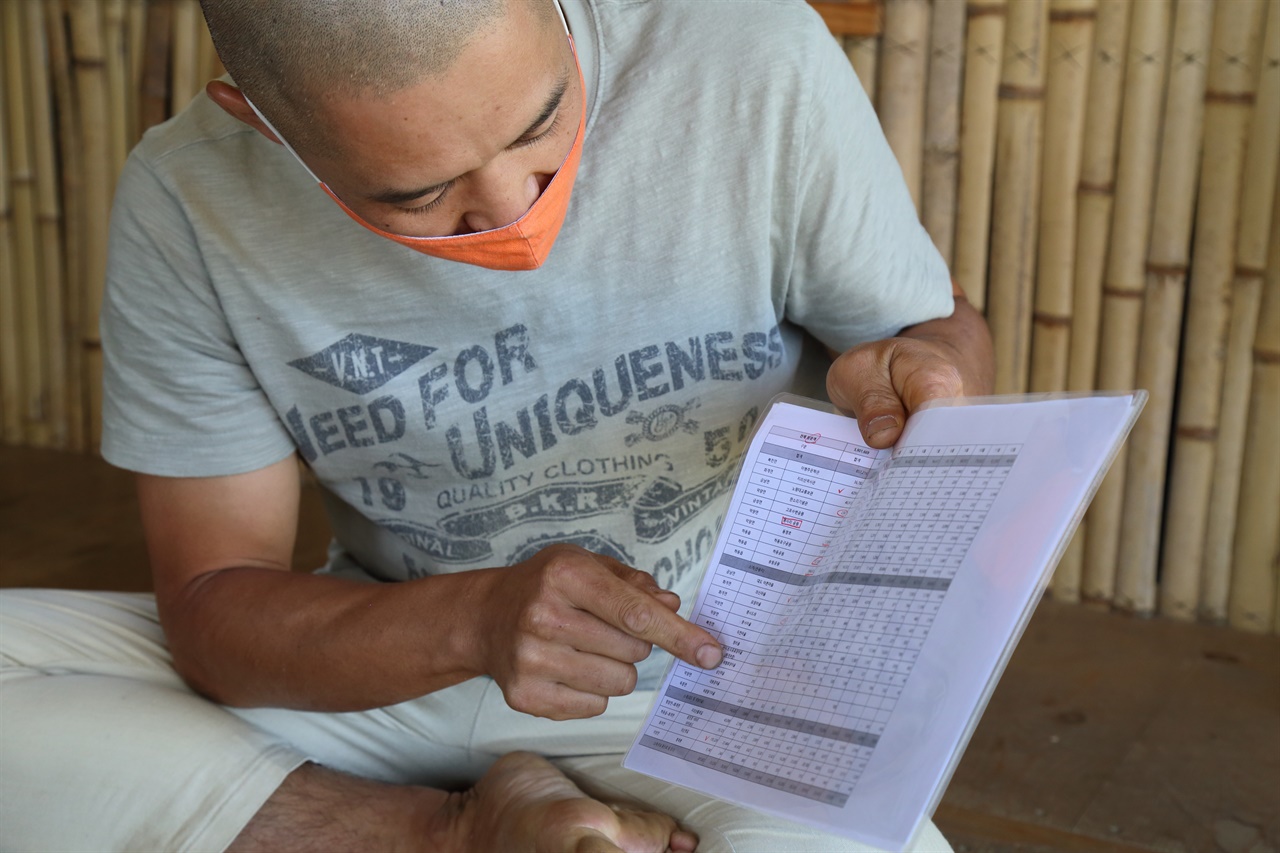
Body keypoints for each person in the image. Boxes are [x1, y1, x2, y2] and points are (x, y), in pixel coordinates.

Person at [0, 0, 994, 850]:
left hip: (728, 687)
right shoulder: (188, 199)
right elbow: (215, 615)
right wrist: (473, 620)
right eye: (420, 195)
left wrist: (935, 371)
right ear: (260, 122)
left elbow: (932, 331)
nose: (513, 206)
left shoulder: (741, 51)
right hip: (396, 667)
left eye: (541, 124)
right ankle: (443, 830)